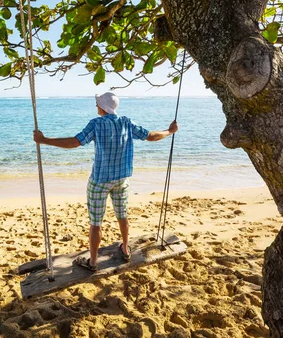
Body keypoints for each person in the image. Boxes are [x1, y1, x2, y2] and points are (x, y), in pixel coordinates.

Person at [33, 92, 178, 272]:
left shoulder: (96, 124)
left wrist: (44, 140)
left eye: (97, 104)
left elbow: (75, 142)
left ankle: (93, 262)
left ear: (102, 107)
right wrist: (169, 131)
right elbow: (151, 136)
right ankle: (125, 248)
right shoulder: (126, 122)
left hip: (100, 180)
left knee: (95, 223)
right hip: (121, 179)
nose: (96, 107)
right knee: (122, 215)